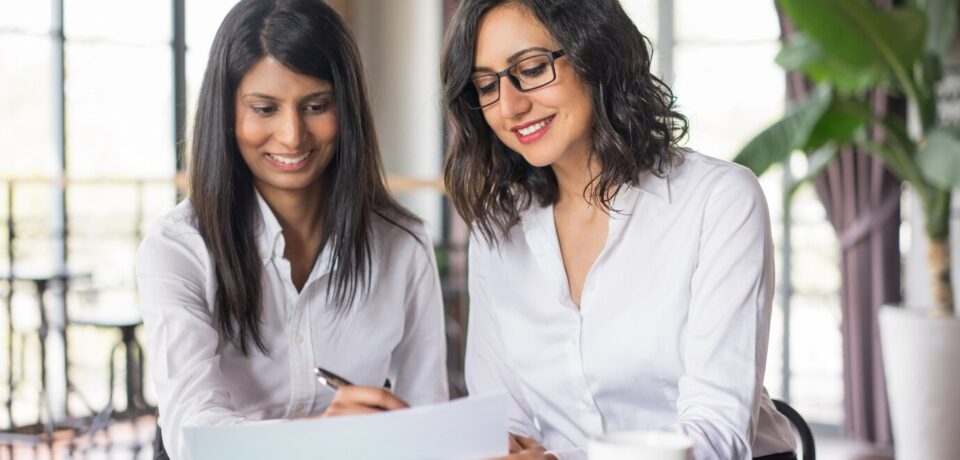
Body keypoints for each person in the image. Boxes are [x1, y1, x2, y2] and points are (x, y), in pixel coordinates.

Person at [440, 1, 796, 459]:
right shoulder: (497, 228)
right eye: (486, 85)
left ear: (597, 53)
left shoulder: (719, 201)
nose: (509, 105)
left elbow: (717, 432)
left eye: (530, 69)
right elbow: (502, 415)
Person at [136, 1, 448, 458]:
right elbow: (192, 433)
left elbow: (427, 417)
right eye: (264, 108)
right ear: (227, 113)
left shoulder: (403, 244)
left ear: (348, 110)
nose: (292, 135)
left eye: (316, 105)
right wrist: (320, 436)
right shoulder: (177, 249)